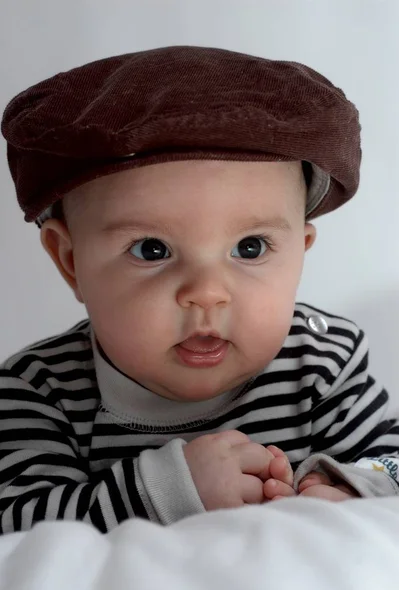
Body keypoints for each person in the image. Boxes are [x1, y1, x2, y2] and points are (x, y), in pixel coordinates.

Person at [0, 45, 398, 534]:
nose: (207, 293)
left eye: (250, 248)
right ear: (70, 261)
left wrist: (354, 487)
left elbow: (392, 460)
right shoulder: (39, 393)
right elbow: (18, 533)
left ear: (302, 250)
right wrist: (168, 490)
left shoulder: (320, 361)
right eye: (151, 250)